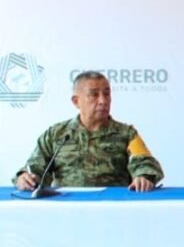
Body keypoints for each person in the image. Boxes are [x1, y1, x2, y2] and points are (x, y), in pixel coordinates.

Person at [13, 71, 164, 192]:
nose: (103, 101)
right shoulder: (56, 134)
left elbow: (145, 162)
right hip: (66, 208)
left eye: (106, 94)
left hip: (113, 207)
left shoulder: (127, 134)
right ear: (76, 101)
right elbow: (35, 168)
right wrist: (25, 178)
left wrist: (143, 177)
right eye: (94, 95)